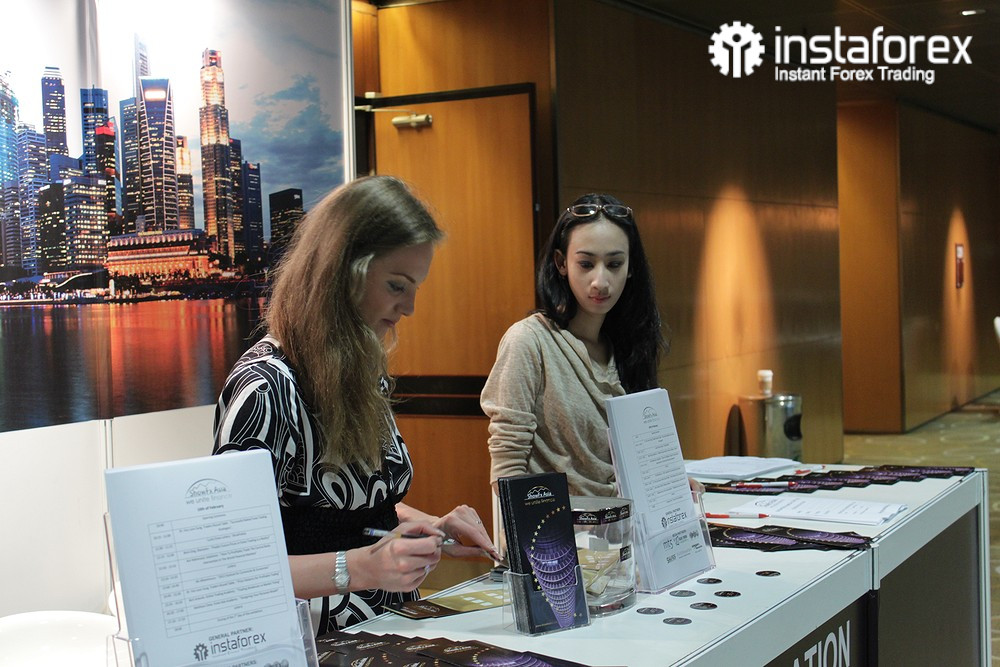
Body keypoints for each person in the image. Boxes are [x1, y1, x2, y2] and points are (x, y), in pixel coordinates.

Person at [213, 175, 499, 634]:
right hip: (316, 643)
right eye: (396, 285)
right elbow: (235, 570)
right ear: (343, 273)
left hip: (393, 628)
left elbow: (356, 511)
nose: (409, 308)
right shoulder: (263, 389)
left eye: (415, 288)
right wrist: (363, 568)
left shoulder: (360, 369)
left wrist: (431, 527)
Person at [481, 193, 667, 497]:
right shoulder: (530, 341)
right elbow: (507, 466)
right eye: (586, 263)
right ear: (561, 263)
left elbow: (640, 457)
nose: (600, 281)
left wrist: (668, 482)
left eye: (614, 264)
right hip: (556, 524)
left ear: (631, 267)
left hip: (624, 520)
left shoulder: (629, 346)